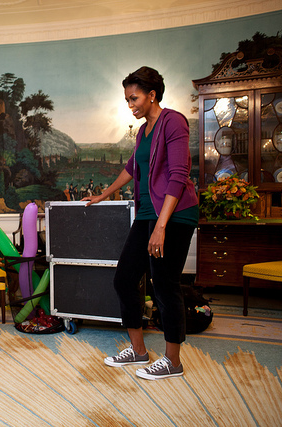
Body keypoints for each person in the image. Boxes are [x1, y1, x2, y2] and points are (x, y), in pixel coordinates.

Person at [82, 66, 198, 380]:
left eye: (134, 98)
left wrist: (161, 226)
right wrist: (102, 195)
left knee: (164, 283)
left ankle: (173, 361)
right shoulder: (143, 130)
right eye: (127, 99)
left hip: (173, 214)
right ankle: (139, 351)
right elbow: (132, 168)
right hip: (148, 212)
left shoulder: (172, 121)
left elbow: (178, 176)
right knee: (124, 278)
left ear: (151, 94)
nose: (130, 104)